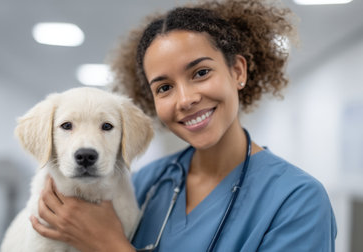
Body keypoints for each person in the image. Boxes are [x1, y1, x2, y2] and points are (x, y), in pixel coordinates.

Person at [30, 0, 337, 251]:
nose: (185, 99)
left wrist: (111, 245)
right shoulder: (145, 184)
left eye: (201, 72)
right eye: (164, 88)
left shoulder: (297, 200)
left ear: (238, 71)